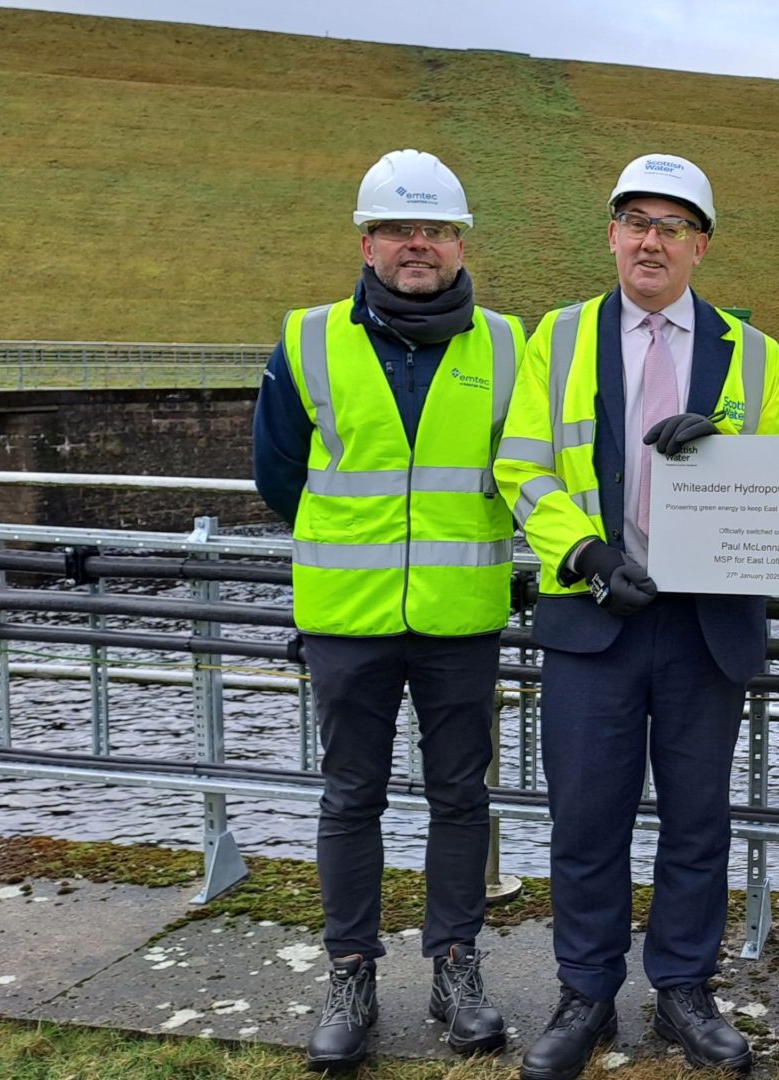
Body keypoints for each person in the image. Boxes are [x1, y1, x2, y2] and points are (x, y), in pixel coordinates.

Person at [492, 153, 779, 1080]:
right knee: (587, 817)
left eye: (672, 226)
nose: (651, 240)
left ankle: (683, 991)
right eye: (636, 222)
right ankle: (584, 993)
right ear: (614, 236)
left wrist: (732, 449)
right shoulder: (561, 336)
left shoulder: (751, 350)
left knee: (699, 821)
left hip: (706, 622)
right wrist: (583, 554)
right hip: (596, 616)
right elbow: (524, 465)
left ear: (700, 245)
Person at [251, 148, 522, 1070]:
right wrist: (356, 552)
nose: (420, 245)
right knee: (350, 798)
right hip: (348, 618)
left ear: (459, 243)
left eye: (437, 230)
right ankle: (351, 974)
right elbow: (278, 472)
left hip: (459, 615)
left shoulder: (508, 344)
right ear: (367, 243)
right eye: (401, 230)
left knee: (460, 796)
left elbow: (528, 472)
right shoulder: (309, 339)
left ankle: (455, 966)